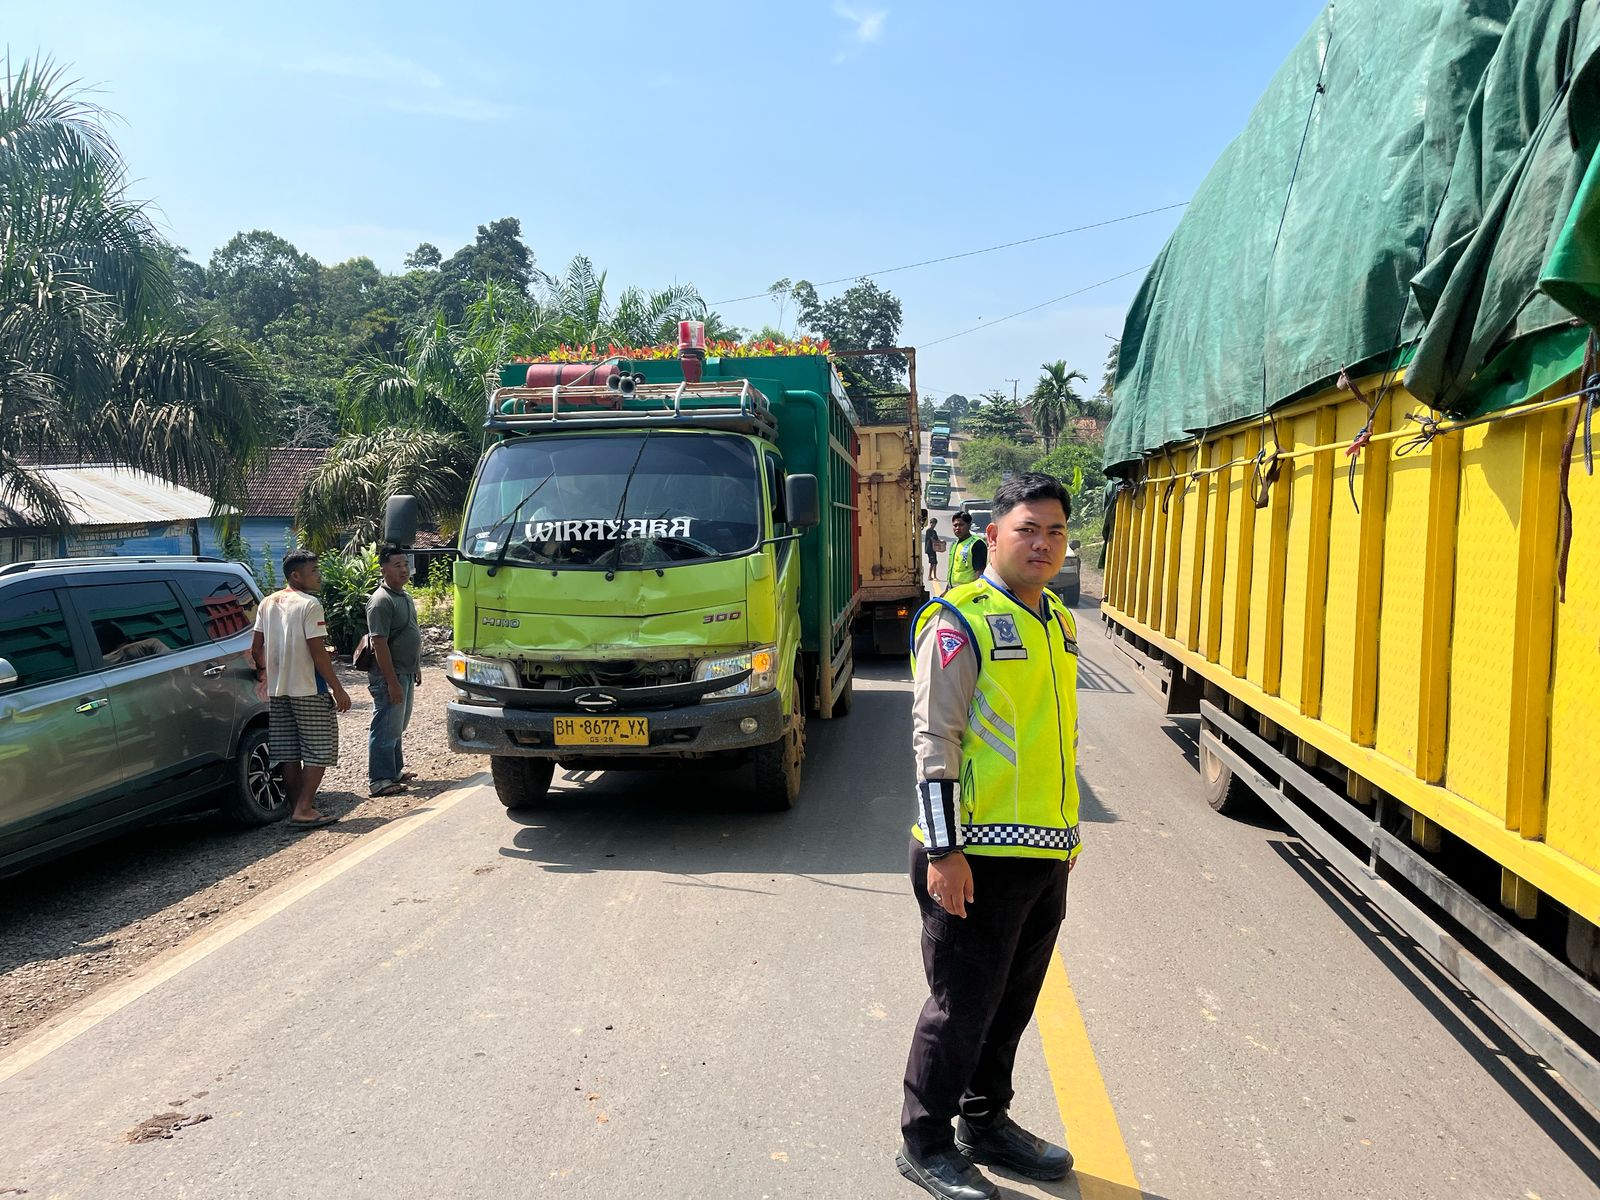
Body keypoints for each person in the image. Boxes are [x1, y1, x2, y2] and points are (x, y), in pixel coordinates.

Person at [897, 473, 1082, 1200]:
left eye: (1056, 532)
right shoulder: (958, 621)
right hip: (973, 853)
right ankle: (924, 1142)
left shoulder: (1059, 621)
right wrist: (945, 851)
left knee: (1011, 1002)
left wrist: (1068, 834)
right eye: (1028, 529)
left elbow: (1057, 737)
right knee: (960, 1005)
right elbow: (933, 740)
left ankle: (986, 1120)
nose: (1042, 543)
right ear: (993, 535)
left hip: (1045, 853)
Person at [251, 550, 352, 830]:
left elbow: (255, 648)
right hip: (309, 688)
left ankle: (298, 807)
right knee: (319, 749)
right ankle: (305, 808)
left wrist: (266, 672)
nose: (319, 575)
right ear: (296, 575)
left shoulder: (267, 603)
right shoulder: (310, 604)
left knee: (289, 751)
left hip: (278, 690)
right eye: (314, 571)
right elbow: (318, 654)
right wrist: (338, 689)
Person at [366, 545, 422, 797]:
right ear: (384, 569)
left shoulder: (405, 596)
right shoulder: (381, 601)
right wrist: (391, 682)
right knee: (385, 724)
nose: (403, 570)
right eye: (397, 565)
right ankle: (379, 780)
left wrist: (416, 666)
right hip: (391, 675)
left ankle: (395, 771)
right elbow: (379, 643)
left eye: (405, 565)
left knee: (397, 725)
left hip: (406, 672)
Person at [941, 510, 987, 594]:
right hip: (952, 591)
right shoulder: (954, 544)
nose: (957, 528)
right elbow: (952, 570)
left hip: (967, 593)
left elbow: (980, 572)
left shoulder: (977, 544)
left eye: (961, 525)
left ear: (969, 526)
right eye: (955, 525)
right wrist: (946, 591)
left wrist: (976, 593)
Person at [923, 516, 943, 582]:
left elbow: (937, 539)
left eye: (934, 523)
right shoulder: (928, 531)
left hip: (933, 549)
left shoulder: (934, 531)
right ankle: (932, 576)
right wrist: (937, 542)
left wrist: (942, 542)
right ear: (930, 523)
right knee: (933, 563)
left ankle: (932, 576)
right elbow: (933, 540)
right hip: (929, 549)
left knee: (934, 562)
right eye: (932, 523)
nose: (933, 525)